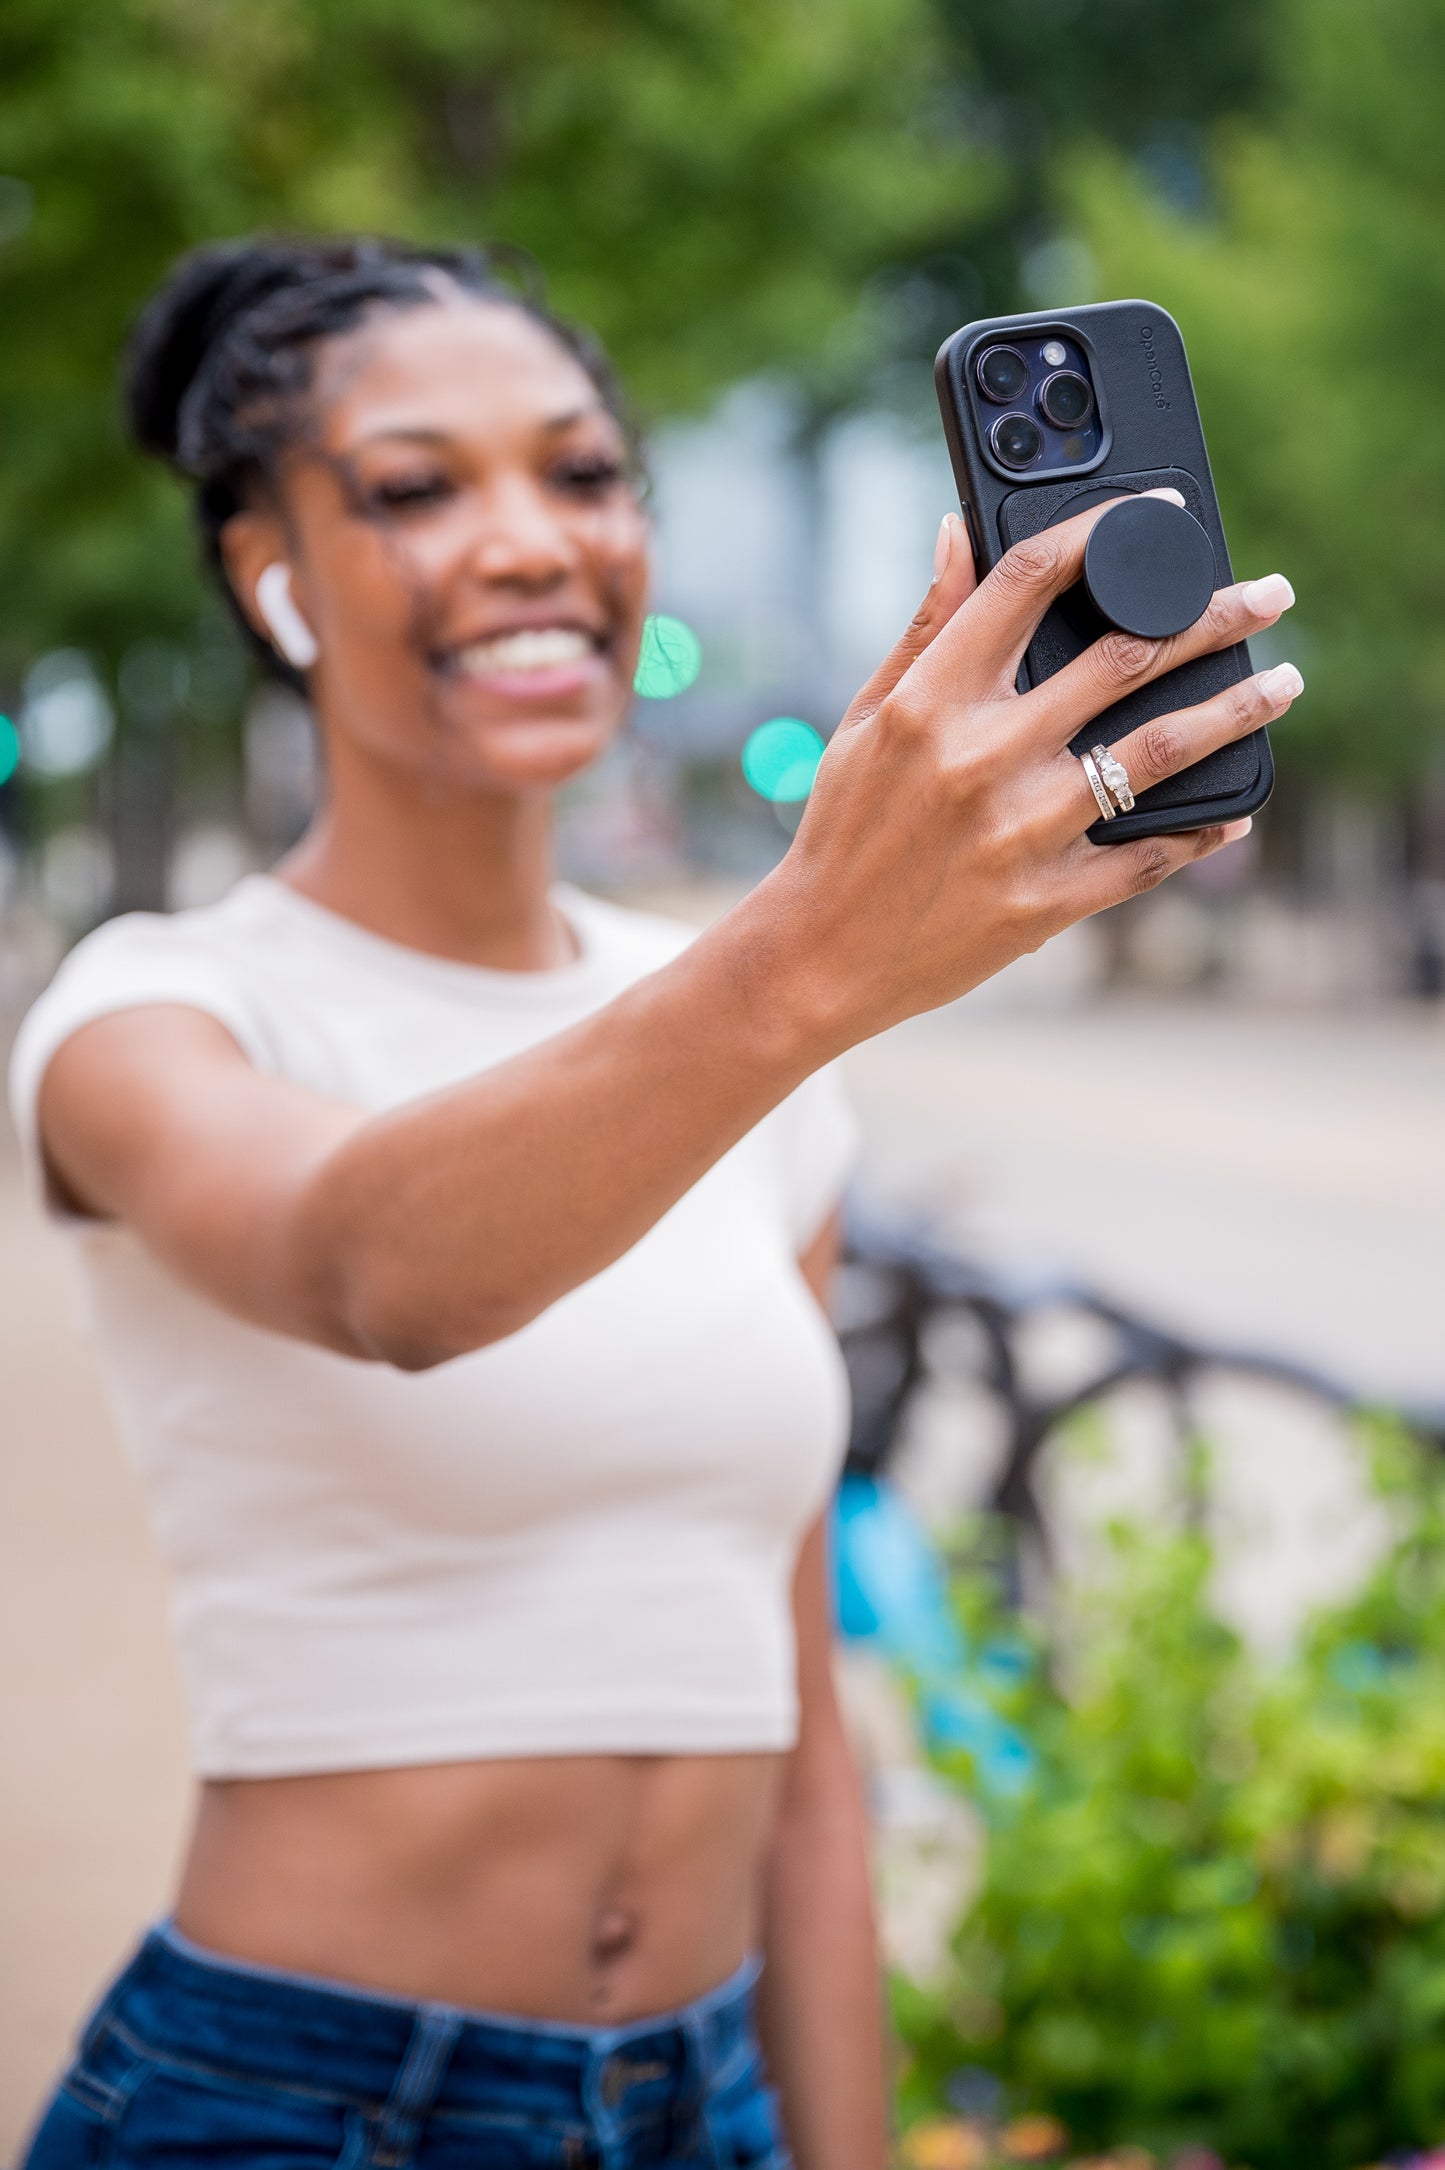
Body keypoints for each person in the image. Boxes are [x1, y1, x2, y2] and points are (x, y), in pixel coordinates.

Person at [11, 237, 1299, 2170]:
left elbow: (793, 1752)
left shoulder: (744, 1041)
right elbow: (381, 1269)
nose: (531, 538)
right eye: (414, 487)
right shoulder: (156, 1010)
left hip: (708, 2102)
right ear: (268, 573)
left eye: (583, 473)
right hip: (292, 2100)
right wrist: (814, 945)